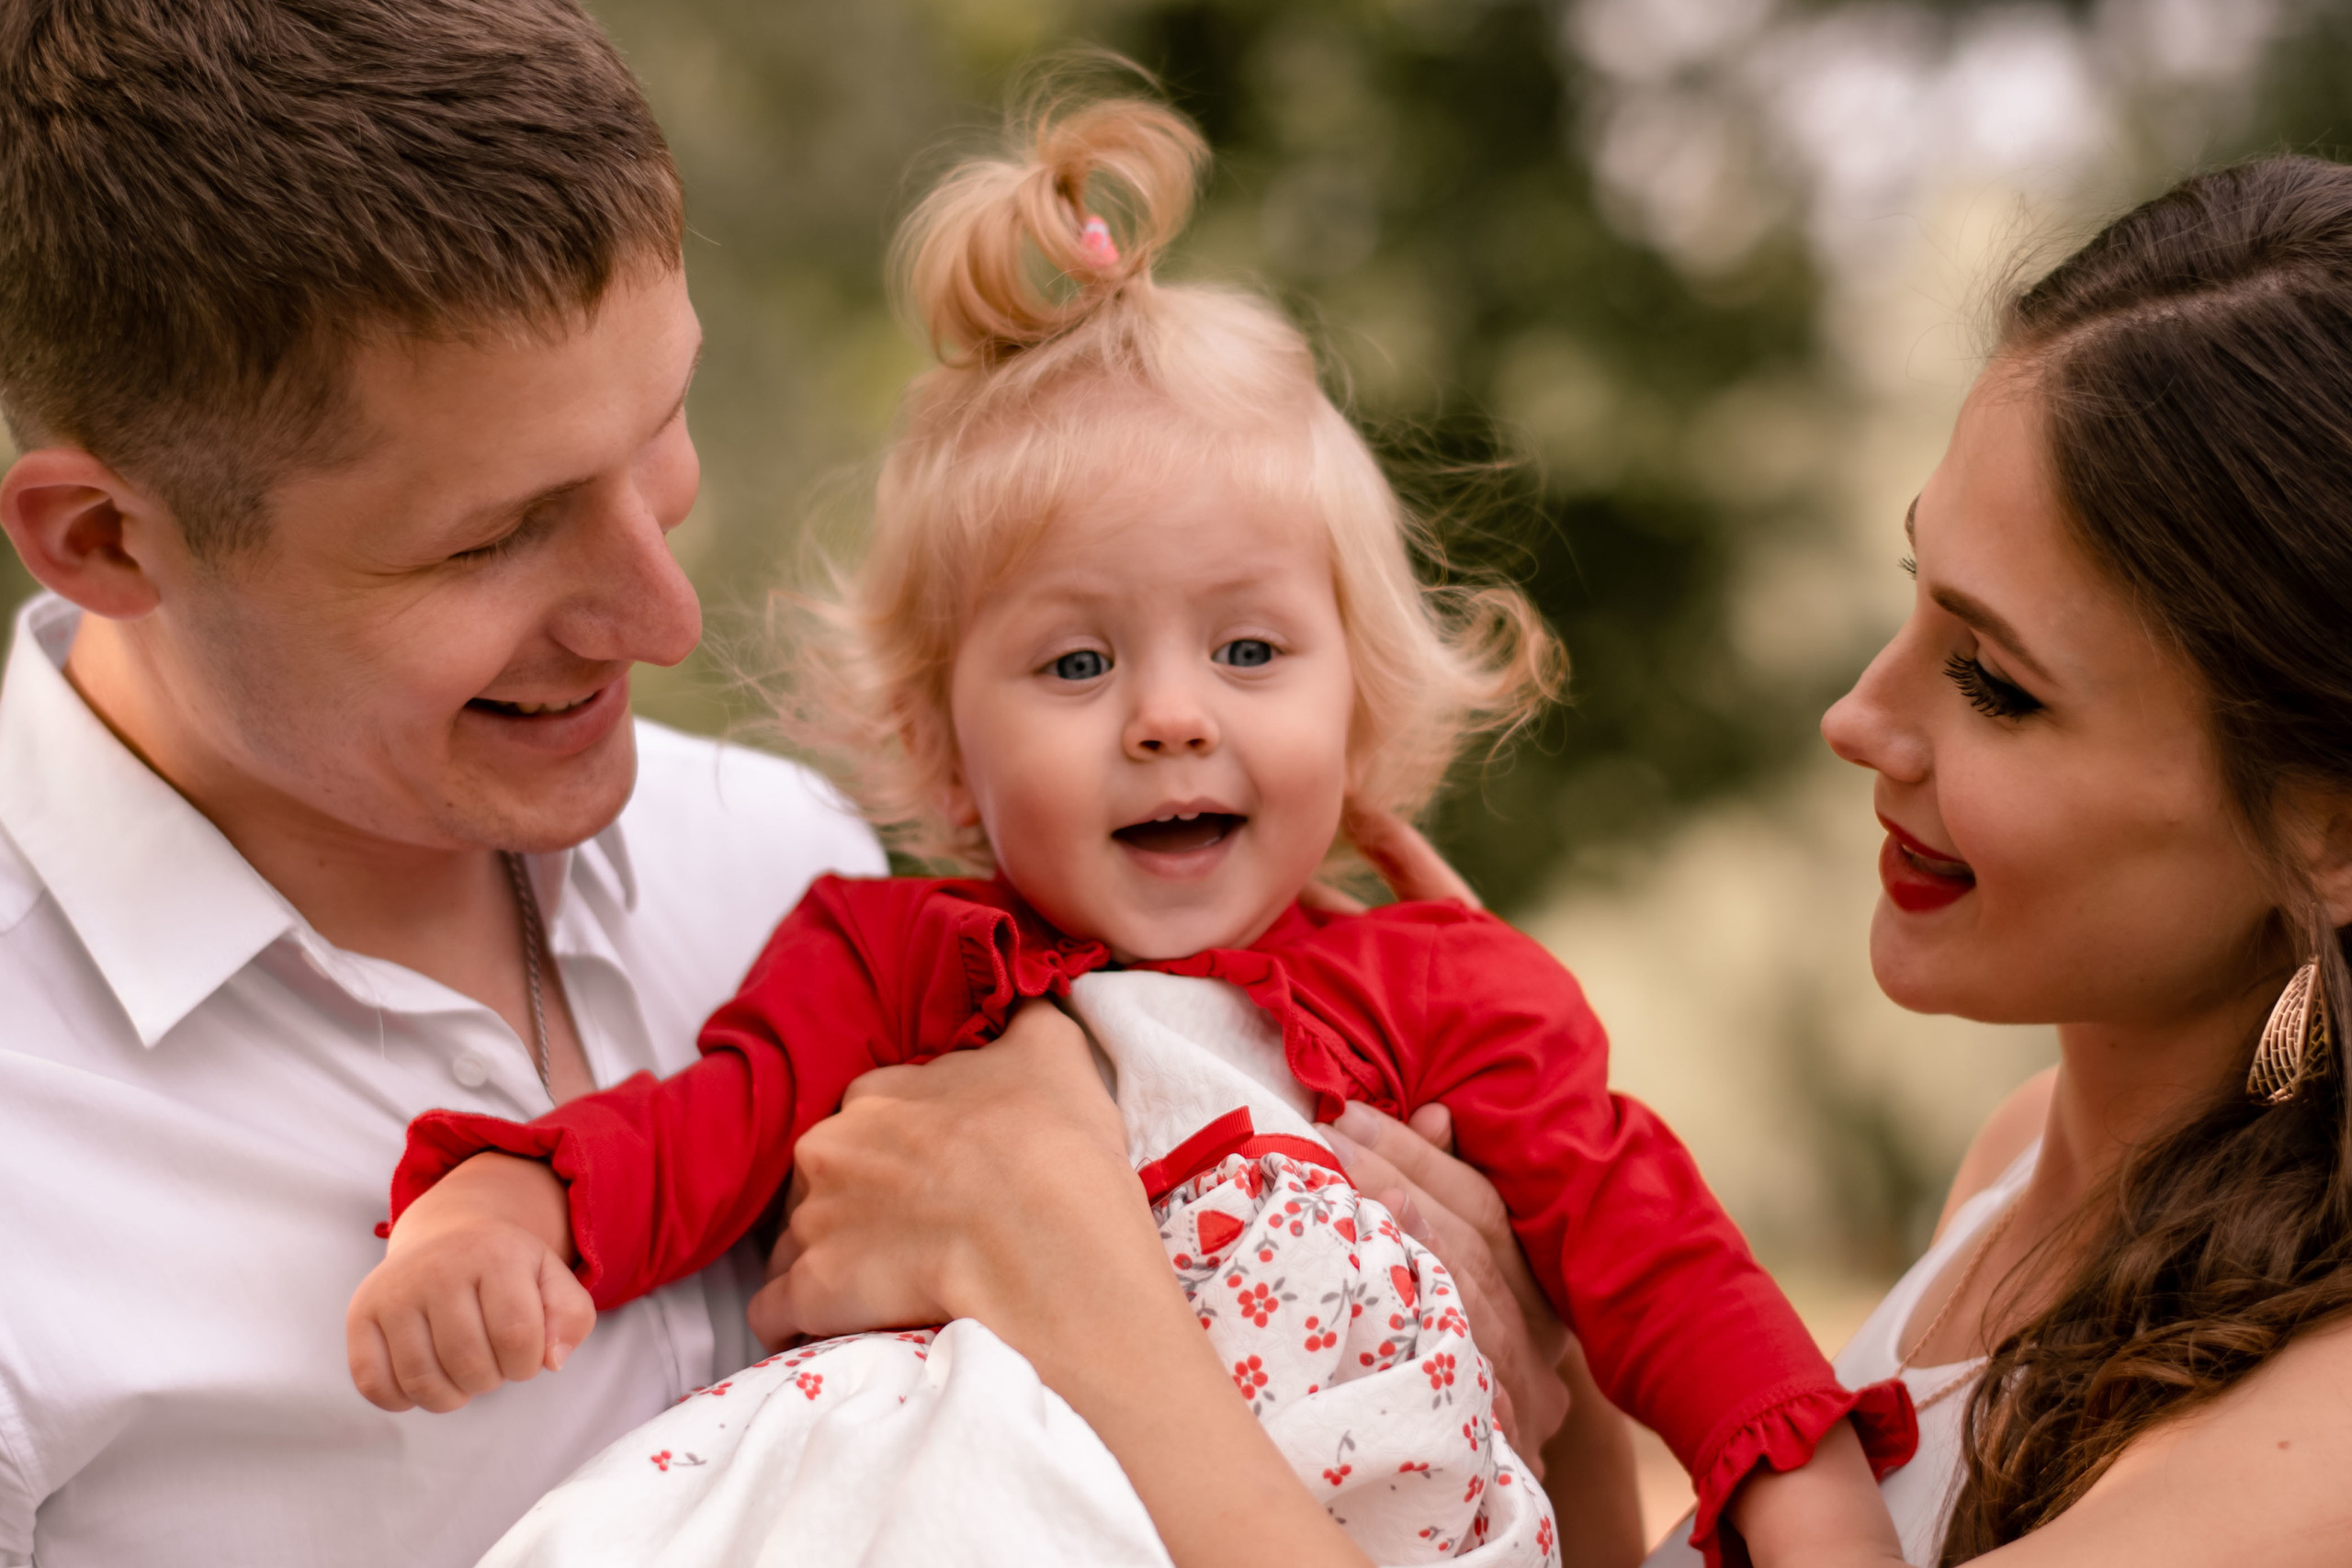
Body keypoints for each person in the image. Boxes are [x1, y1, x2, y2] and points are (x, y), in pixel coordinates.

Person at [352, 95, 1913, 1568]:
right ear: (941, 750)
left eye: (1248, 651)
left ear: (1357, 710)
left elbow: (1653, 1249)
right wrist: (515, 1206)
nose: (1170, 717)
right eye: (1078, 663)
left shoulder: (1453, 997)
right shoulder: (896, 962)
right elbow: (711, 1123)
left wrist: (1802, 1484)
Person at [732, 153, 2352, 1568]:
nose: (1860, 713)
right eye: (1910, 590)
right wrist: (1534, 1357)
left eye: (1997, 682)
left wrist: (1083, 1290)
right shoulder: (2022, 1164)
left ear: (2327, 824)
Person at [0, 4, 886, 1565]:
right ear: (106, 540)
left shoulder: (785, 864)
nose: (667, 619)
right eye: (490, 538)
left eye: (660, 423)